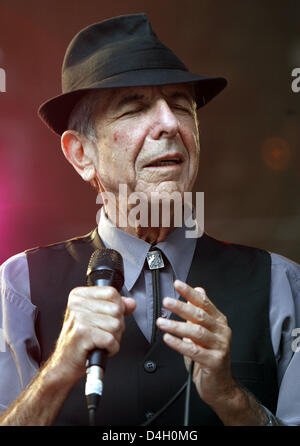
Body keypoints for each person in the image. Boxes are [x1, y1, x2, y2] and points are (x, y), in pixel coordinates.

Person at [0, 13, 299, 427]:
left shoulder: (283, 285)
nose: (170, 124)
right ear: (81, 155)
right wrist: (57, 372)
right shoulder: (18, 288)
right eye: (134, 108)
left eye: (181, 105)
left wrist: (231, 398)